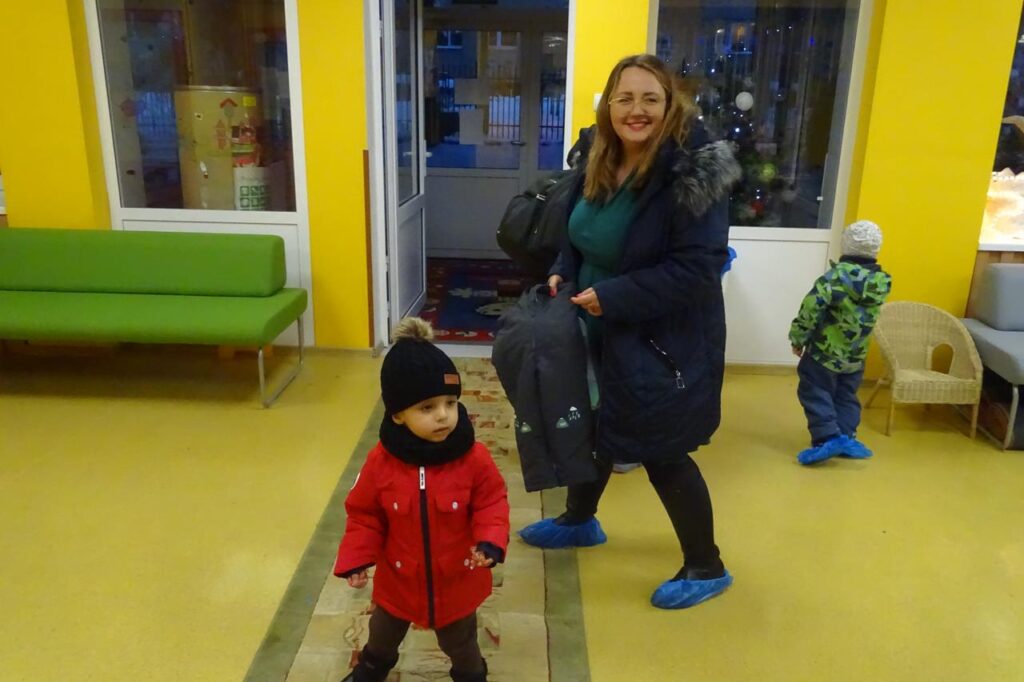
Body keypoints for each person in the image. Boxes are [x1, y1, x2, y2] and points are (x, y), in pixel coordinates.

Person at [517, 54, 742, 610]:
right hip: (595, 326)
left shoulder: (689, 173)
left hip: (661, 339)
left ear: (670, 105)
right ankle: (580, 519)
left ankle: (706, 565)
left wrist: (614, 297)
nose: (636, 110)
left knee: (663, 449)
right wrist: (563, 269)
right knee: (596, 425)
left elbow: (698, 268)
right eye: (625, 98)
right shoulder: (601, 157)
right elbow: (578, 233)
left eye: (649, 99)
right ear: (609, 106)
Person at [334, 318, 510, 682]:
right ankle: (371, 669)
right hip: (398, 583)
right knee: (382, 635)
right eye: (427, 408)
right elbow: (364, 514)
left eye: (450, 402)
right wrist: (355, 558)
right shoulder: (381, 463)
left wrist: (491, 540)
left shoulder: (473, 458)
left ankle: (471, 675)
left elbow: (492, 501)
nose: (443, 415)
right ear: (398, 415)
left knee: (460, 643)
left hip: (456, 581)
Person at [789, 220, 893, 465]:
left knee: (815, 390)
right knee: (846, 394)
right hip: (856, 356)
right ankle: (846, 436)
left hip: (823, 354)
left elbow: (810, 310)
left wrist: (798, 338)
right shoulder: (880, 283)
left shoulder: (833, 279)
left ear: (845, 245)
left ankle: (827, 437)